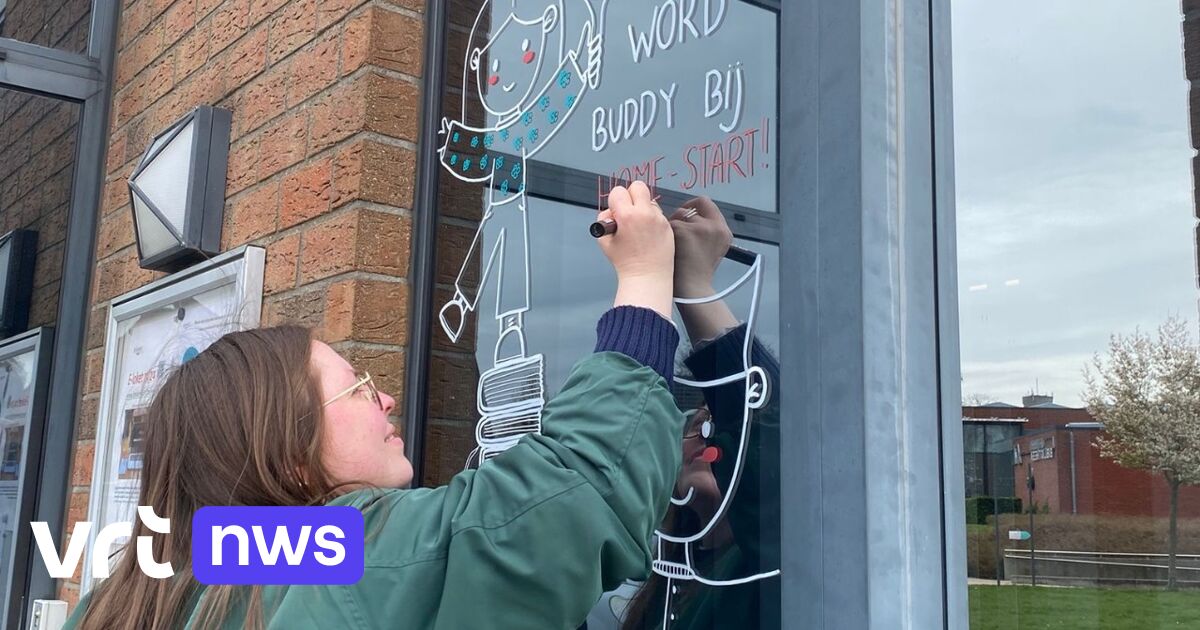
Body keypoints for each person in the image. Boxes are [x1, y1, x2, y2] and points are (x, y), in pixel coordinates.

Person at [65, 181, 684, 630]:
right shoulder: (335, 562)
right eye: (357, 388)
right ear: (292, 460)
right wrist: (647, 279)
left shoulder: (148, 588)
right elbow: (564, 503)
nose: (386, 396)